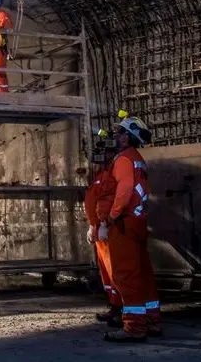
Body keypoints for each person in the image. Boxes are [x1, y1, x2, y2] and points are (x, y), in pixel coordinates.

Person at [97, 114, 162, 342]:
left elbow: (123, 191)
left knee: (127, 274)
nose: (114, 135)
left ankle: (134, 327)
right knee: (143, 273)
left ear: (126, 138)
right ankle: (152, 321)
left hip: (124, 222)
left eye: (118, 132)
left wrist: (111, 217)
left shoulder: (124, 159)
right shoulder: (137, 158)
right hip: (138, 220)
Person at [85, 128, 122, 326]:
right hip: (99, 228)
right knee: (106, 270)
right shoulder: (101, 172)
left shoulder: (111, 173)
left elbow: (107, 201)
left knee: (115, 269)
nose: (98, 154)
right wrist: (93, 225)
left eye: (103, 150)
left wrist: (104, 223)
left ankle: (121, 309)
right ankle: (114, 306)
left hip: (107, 227)